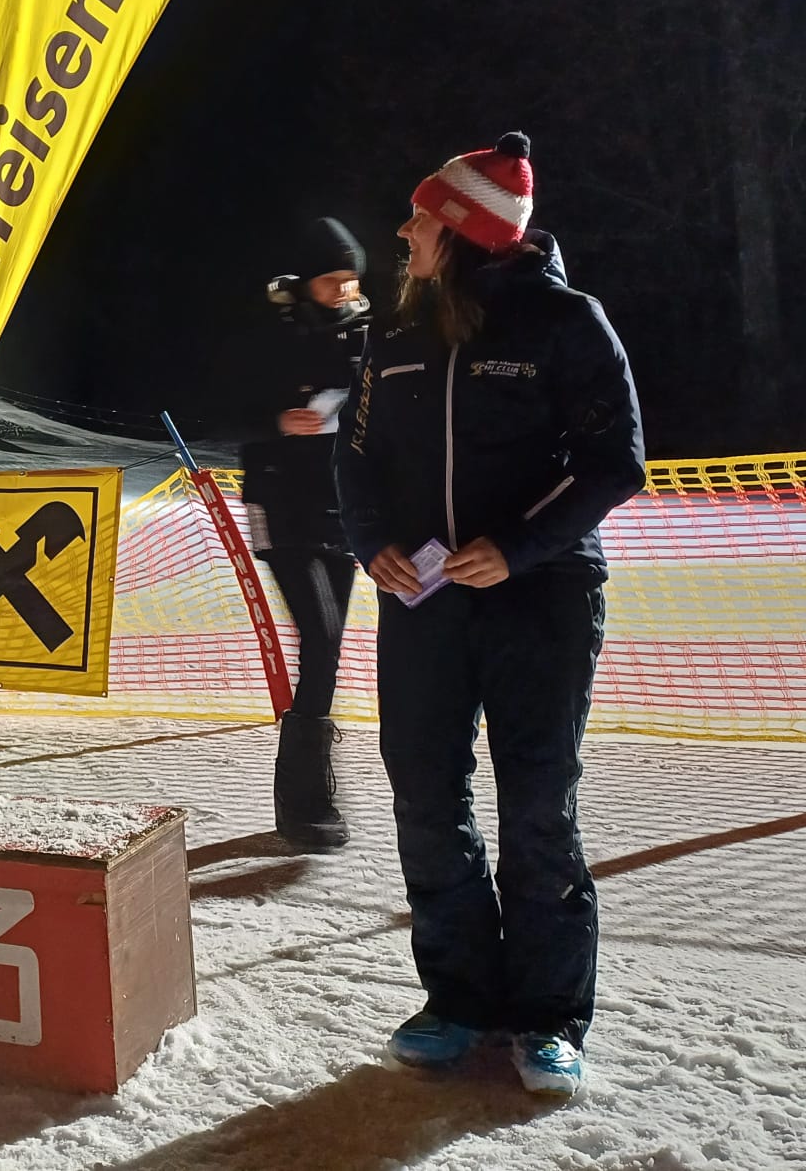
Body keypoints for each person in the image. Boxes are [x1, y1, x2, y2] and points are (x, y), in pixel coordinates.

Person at [334, 132, 644, 1098]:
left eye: (420, 218)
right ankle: (458, 999)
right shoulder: (395, 336)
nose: (403, 233)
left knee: (537, 806)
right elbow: (355, 460)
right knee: (426, 796)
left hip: (542, 599)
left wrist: (518, 547)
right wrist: (372, 541)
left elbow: (615, 463)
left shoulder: (565, 322)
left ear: (464, 230)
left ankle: (549, 1016)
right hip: (423, 602)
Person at [240, 217, 370, 850]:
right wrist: (277, 422)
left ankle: (308, 783)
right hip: (281, 506)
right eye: (329, 280)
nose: (342, 291)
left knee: (330, 646)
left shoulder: (369, 336)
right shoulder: (272, 334)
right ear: (305, 281)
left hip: (340, 509)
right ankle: (304, 798)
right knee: (319, 637)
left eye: (350, 279)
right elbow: (222, 405)